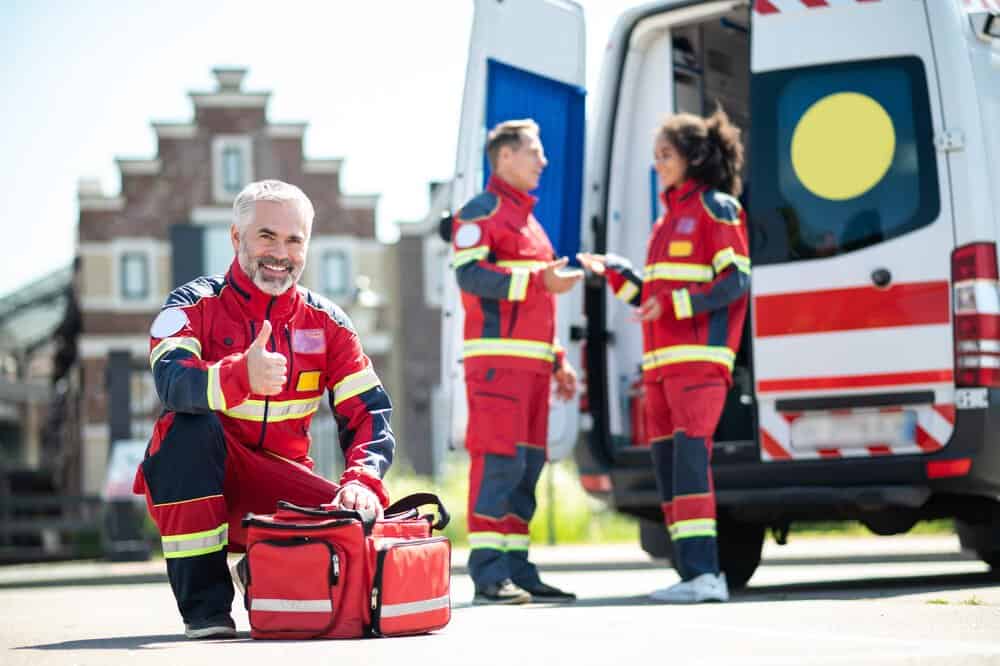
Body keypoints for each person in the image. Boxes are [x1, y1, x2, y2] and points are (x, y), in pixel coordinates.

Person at [133, 179, 395, 637]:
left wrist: (363, 482)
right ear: (237, 238)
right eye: (266, 236)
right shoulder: (190, 306)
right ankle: (208, 611)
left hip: (279, 485)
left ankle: (264, 569)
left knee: (362, 522)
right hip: (200, 478)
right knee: (185, 428)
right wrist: (240, 376)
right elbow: (173, 384)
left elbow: (369, 412)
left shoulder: (329, 324)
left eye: (295, 240)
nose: (281, 252)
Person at [578, 108, 750, 603]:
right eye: (655, 156)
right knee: (671, 470)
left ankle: (705, 575)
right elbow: (647, 298)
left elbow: (736, 281)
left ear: (694, 157)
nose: (657, 165)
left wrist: (674, 302)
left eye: (665, 155)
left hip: (698, 362)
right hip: (660, 368)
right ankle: (692, 574)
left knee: (692, 466)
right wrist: (614, 272)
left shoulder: (717, 209)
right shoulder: (666, 221)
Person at [451, 119, 582, 604]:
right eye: (534, 151)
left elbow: (537, 305)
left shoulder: (530, 221)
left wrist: (557, 360)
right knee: (498, 464)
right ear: (505, 156)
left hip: (530, 369)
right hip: (496, 366)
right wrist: (535, 283)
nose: (543, 161)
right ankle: (488, 574)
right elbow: (469, 276)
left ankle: (518, 569)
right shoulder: (480, 211)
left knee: (527, 468)